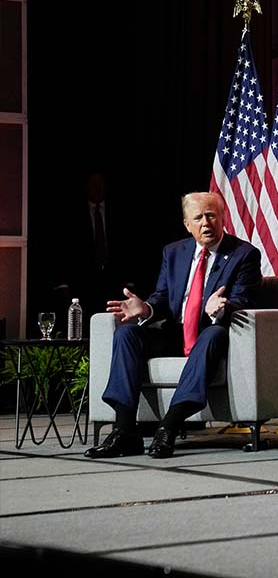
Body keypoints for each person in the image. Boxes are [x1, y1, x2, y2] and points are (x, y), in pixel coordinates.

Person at [84, 192, 262, 459]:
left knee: (213, 334)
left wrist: (222, 308)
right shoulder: (175, 252)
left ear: (223, 218)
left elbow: (244, 299)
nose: (206, 223)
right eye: (198, 218)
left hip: (211, 333)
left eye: (211, 216)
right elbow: (163, 297)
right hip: (175, 334)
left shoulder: (244, 254)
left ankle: (169, 426)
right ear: (187, 225)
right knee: (127, 333)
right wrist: (146, 308)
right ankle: (124, 432)